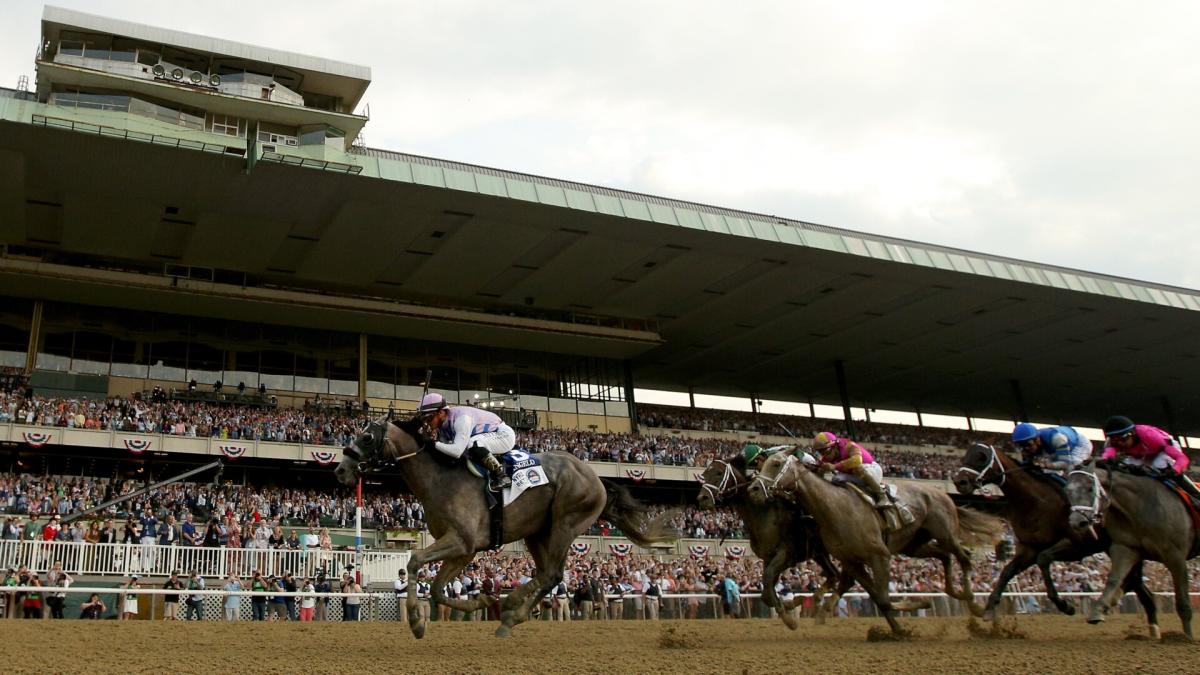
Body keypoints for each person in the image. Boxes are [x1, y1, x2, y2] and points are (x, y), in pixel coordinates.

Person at [417, 392, 514, 490]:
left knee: (473, 443)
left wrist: (433, 443)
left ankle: (502, 476)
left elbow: (457, 451)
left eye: (429, 418)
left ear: (441, 412)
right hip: (487, 436)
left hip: (503, 435)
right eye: (424, 419)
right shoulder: (442, 426)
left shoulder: (462, 419)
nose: (427, 422)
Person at [1100, 416, 1200, 501]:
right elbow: (1106, 457)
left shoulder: (1150, 435)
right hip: (1141, 455)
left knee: (1160, 465)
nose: (1120, 443)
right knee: (1127, 471)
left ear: (1133, 433)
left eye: (1123, 438)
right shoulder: (1111, 442)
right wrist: (1107, 461)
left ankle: (1195, 494)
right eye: (1115, 440)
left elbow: (1182, 458)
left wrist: (1174, 470)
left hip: (1162, 451)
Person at [811, 431, 891, 507]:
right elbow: (818, 472)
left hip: (872, 470)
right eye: (820, 452)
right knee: (836, 479)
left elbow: (857, 461)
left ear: (834, 446)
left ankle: (882, 496)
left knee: (858, 468)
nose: (825, 455)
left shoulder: (849, 445)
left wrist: (834, 466)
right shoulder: (827, 457)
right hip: (855, 476)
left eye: (826, 451)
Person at [1012, 423, 1093, 471]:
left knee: (1072, 469)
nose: (1025, 448)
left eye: (1027, 444)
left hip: (1079, 444)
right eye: (1021, 445)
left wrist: (1048, 465)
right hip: (1054, 447)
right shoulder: (1035, 442)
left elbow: (1065, 464)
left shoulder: (1057, 438)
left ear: (1037, 439)